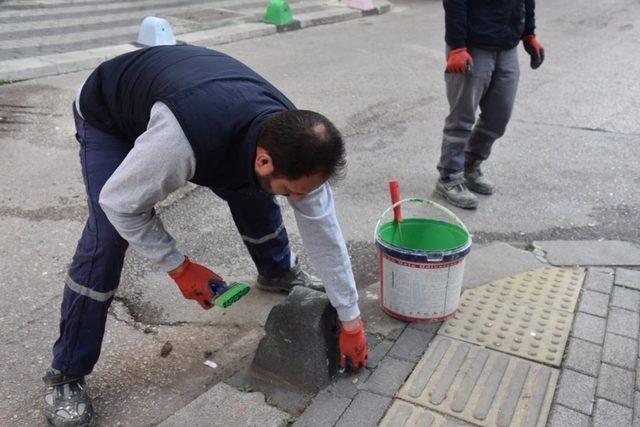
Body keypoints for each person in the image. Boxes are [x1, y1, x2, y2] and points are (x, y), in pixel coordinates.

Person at [43, 45, 368, 426]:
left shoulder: (297, 143)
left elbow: (324, 234)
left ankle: (278, 271)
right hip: (110, 114)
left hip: (191, 103)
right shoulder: (184, 140)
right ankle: (66, 372)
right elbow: (120, 203)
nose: (300, 199)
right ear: (264, 157)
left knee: (259, 190)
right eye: (295, 191)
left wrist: (351, 320)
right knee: (107, 237)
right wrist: (180, 268)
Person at [434, 0, 545, 209]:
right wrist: (457, 47)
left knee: (499, 116)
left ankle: (470, 164)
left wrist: (529, 33)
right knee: (462, 118)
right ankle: (449, 177)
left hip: (507, 45)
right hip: (472, 46)